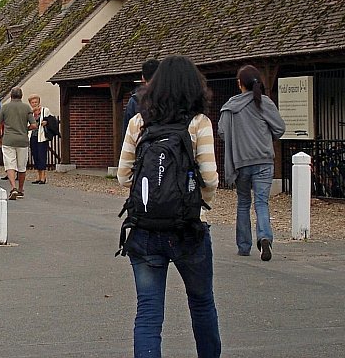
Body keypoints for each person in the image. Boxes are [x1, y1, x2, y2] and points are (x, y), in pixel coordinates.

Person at [117, 55, 221, 358]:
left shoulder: (139, 122)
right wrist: (198, 204)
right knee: (202, 303)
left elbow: (124, 174)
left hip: (145, 229)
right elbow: (211, 178)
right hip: (188, 230)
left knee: (148, 313)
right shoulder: (199, 123)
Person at [219, 64, 286, 261]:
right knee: (261, 202)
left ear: (240, 84)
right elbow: (280, 128)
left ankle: (244, 245)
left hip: (240, 162)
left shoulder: (230, 107)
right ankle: (264, 237)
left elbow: (222, 132)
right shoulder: (265, 103)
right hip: (264, 160)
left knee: (243, 203)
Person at [0, 87, 36, 199]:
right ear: (21, 96)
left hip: (8, 139)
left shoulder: (5, 108)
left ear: (11, 95)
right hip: (22, 140)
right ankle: (21, 189)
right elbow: (34, 125)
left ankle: (13, 187)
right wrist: (25, 128)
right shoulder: (26, 108)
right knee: (22, 167)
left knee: (10, 165)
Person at [122, 59, 159, 139]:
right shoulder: (170, 98)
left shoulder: (134, 101)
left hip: (141, 146)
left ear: (143, 77)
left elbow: (126, 133)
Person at [27, 94, 52, 185]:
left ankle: (43, 176)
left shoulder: (45, 110)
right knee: (35, 156)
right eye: (32, 102)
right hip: (33, 136)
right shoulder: (29, 113)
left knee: (42, 155)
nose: (34, 104)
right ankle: (38, 175)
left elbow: (52, 121)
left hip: (42, 137)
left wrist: (46, 122)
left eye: (36, 102)